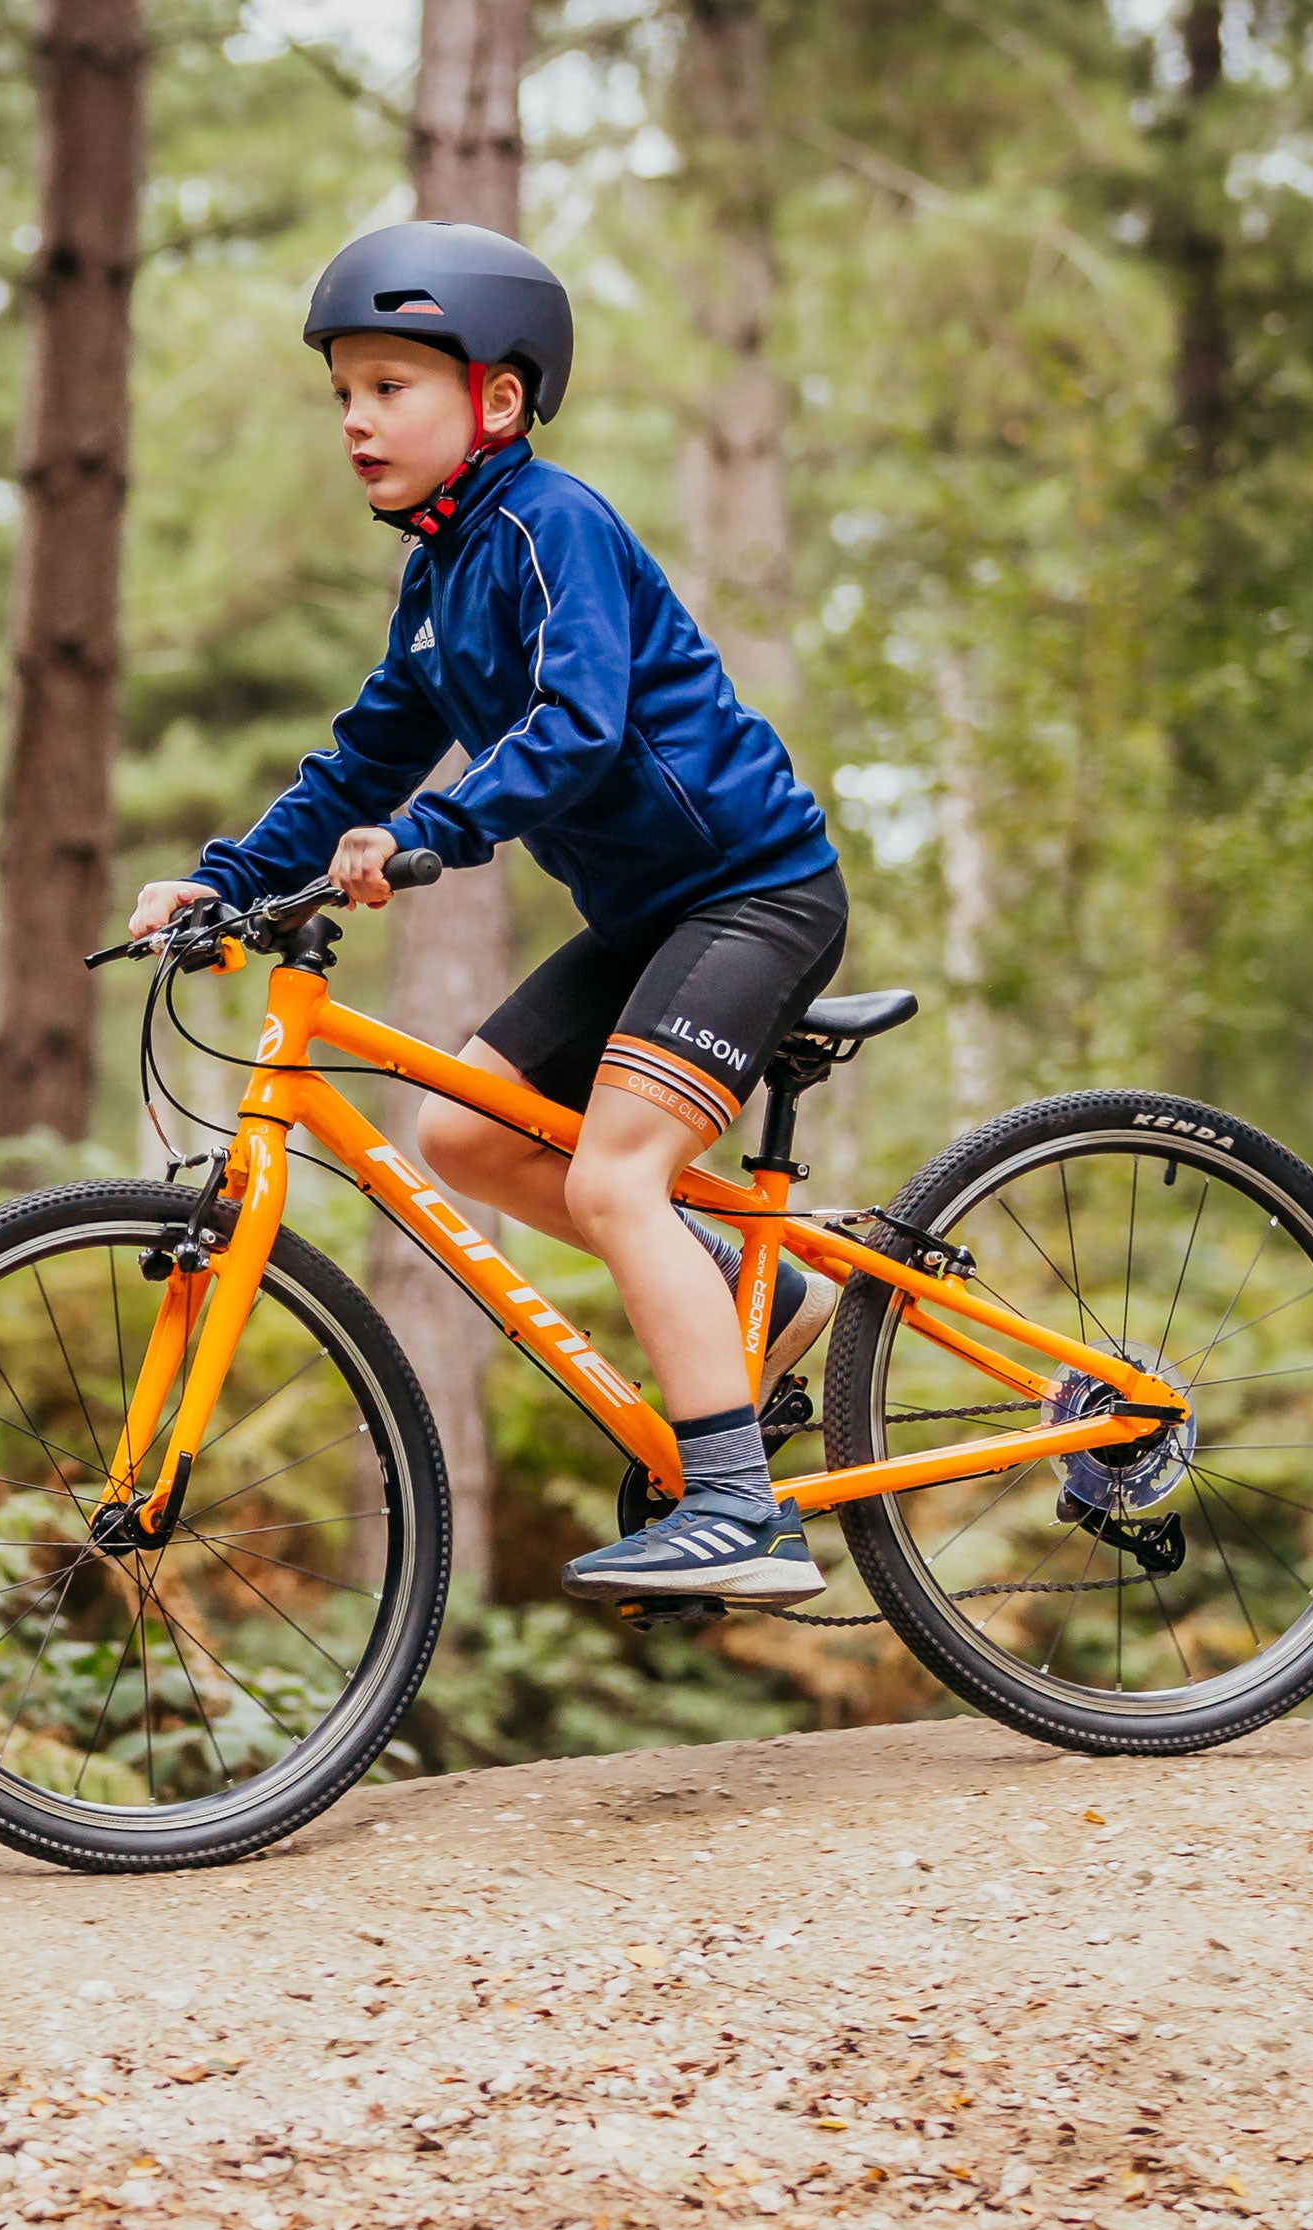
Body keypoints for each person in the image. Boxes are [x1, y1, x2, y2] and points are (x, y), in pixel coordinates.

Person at [126, 220, 847, 1609]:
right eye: (342, 392)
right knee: (461, 1129)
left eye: (390, 386)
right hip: (652, 916)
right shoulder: (440, 580)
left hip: (754, 892)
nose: (354, 420)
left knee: (612, 1170)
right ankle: (776, 1302)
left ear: (497, 398)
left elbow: (582, 724)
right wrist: (223, 880)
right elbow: (356, 760)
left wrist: (428, 840)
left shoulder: (551, 524)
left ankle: (743, 1510)